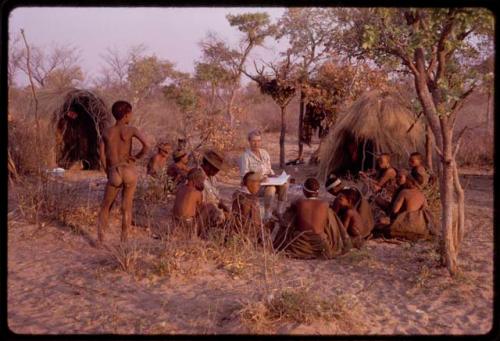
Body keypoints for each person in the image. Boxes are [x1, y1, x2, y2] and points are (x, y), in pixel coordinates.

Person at [96, 100, 149, 246]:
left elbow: (101, 155)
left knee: (106, 206)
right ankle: (124, 241)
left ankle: (100, 241)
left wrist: (108, 171)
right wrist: (136, 158)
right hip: (129, 170)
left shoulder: (106, 132)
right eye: (130, 113)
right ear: (126, 115)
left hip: (115, 171)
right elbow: (147, 145)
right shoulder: (131, 130)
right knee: (127, 207)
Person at [273, 178, 352, 259]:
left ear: (304, 191)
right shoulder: (325, 205)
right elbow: (332, 224)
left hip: (299, 245)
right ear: (317, 192)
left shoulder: (298, 202)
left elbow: (287, 221)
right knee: (329, 215)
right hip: (321, 245)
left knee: (291, 214)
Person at [239, 129, 288, 220]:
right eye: (253, 141)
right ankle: (267, 214)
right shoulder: (245, 157)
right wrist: (259, 178)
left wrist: (274, 175)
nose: (256, 143)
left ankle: (279, 211)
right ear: (249, 141)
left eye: (258, 141)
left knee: (284, 184)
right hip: (254, 186)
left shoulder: (265, 153)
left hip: (267, 181)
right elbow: (244, 177)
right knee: (271, 189)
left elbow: (269, 169)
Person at [378, 175, 434, 240]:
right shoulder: (422, 195)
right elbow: (426, 212)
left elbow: (395, 210)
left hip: (405, 225)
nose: (405, 182)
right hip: (418, 228)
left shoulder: (404, 192)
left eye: (407, 180)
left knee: (381, 224)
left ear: (411, 182)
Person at [198, 149, 230, 230]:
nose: (217, 171)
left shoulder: (212, 177)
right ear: (208, 165)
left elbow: (216, 197)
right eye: (216, 168)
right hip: (203, 212)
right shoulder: (197, 176)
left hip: (212, 209)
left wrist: (223, 206)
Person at [172, 167, 205, 235]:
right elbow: (199, 210)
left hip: (174, 222)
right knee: (208, 208)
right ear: (195, 180)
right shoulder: (197, 193)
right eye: (201, 181)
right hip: (187, 223)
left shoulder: (180, 188)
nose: (202, 183)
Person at [232, 171, 263, 238]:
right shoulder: (252, 199)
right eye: (257, 183)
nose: (259, 185)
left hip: (235, 232)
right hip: (246, 235)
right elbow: (256, 224)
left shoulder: (236, 194)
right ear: (250, 183)